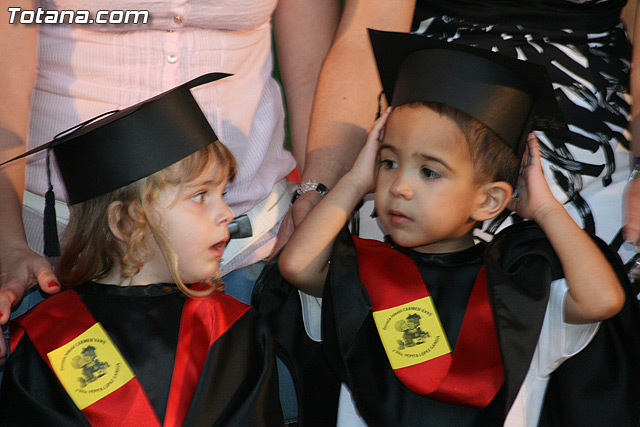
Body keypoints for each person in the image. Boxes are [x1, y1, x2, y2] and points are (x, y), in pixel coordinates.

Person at [275, 32, 640, 425]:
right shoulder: (363, 273)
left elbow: (603, 300)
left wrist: (546, 209)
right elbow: (297, 265)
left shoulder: (518, 287)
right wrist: (354, 180)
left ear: (488, 200)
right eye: (388, 163)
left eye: (429, 172)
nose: (400, 186)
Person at [0, 0, 340, 359]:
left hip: (252, 248)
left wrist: (317, 198)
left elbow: (314, 74)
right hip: (61, 252)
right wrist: (7, 244)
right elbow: (5, 77)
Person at [0, 74, 282, 426]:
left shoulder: (233, 329)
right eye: (200, 196)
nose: (226, 212)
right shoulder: (51, 336)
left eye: (222, 194)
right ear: (125, 222)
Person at [284, 0, 637, 264]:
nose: (401, 186)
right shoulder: (400, 179)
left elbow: (601, 301)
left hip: (586, 122)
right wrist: (323, 187)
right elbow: (368, 28)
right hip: (424, 91)